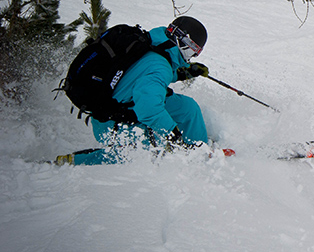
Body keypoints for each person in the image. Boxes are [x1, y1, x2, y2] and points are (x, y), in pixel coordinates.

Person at [57, 16, 211, 165]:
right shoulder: (160, 66)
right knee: (141, 153)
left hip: (131, 103)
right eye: (193, 52)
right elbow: (149, 110)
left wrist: (184, 73)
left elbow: (146, 73)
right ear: (183, 43)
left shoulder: (155, 43)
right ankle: (77, 161)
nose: (191, 57)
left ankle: (199, 151)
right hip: (111, 120)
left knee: (187, 108)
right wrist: (173, 135)